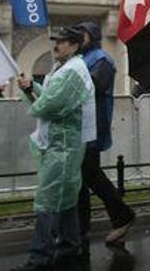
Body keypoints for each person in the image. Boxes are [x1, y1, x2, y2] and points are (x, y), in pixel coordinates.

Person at [13, 27, 95, 271]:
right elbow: (50, 97)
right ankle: (71, 245)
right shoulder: (63, 69)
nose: (56, 45)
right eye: (55, 41)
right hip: (59, 143)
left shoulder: (73, 72)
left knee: (49, 200)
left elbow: (51, 107)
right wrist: (32, 87)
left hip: (64, 145)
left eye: (62, 41)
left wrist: (30, 90)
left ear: (74, 46)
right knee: (65, 196)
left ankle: (40, 257)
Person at [72, 21, 135, 258]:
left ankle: (121, 215)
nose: (79, 38)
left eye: (83, 34)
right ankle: (82, 227)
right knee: (83, 176)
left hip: (92, 125)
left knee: (89, 173)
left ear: (93, 36)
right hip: (81, 126)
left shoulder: (102, 59)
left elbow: (89, 87)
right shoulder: (83, 59)